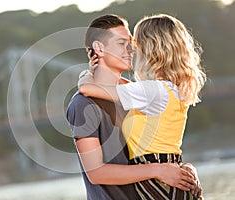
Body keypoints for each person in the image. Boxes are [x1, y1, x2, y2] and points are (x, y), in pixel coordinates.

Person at [66, 14, 201, 200]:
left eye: (132, 43)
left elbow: (163, 146)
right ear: (99, 48)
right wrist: (159, 169)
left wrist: (184, 170)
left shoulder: (138, 95)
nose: (131, 49)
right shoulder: (83, 103)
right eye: (122, 43)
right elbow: (96, 173)